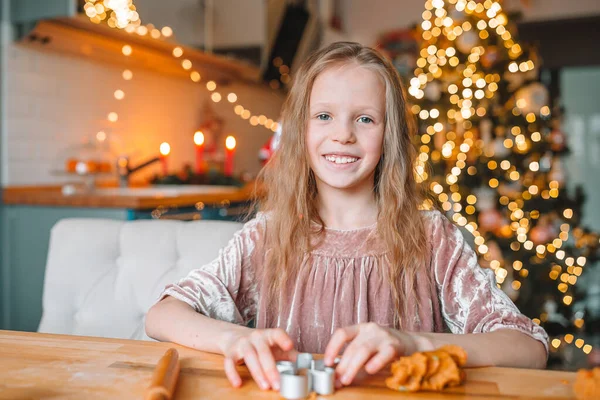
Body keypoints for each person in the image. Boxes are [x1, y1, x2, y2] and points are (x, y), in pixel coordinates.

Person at [145, 41, 548, 391]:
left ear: (388, 136)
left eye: (365, 119)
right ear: (300, 130)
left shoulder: (431, 237)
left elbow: (527, 349)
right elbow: (162, 315)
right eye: (324, 116)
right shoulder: (266, 238)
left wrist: (413, 343)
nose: (343, 135)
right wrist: (233, 340)